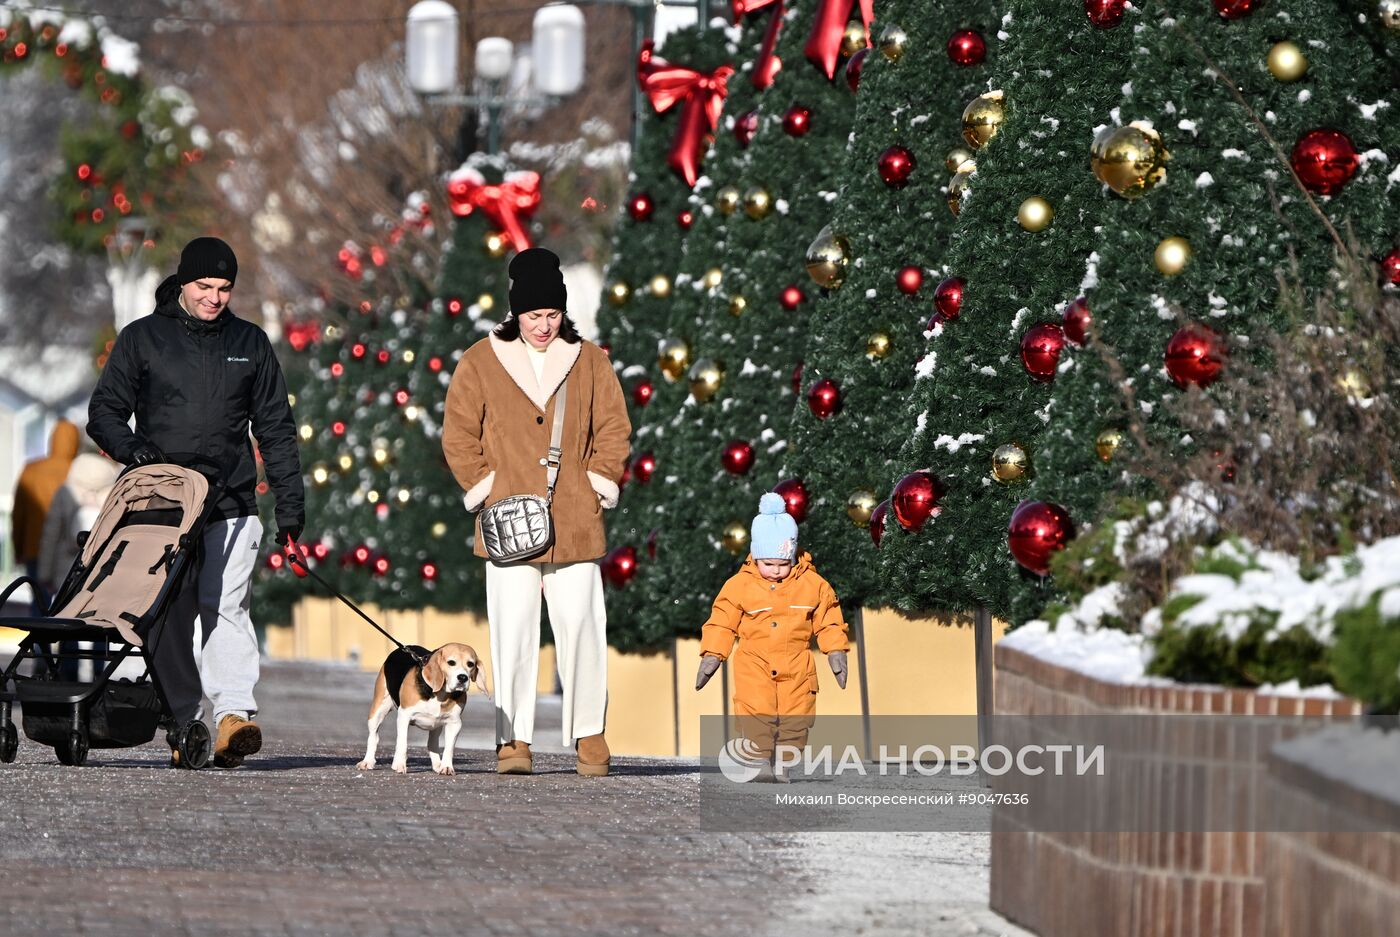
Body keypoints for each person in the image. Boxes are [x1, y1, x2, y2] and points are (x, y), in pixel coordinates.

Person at [87, 236, 305, 768]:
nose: (215, 298)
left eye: (225, 288)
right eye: (205, 286)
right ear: (183, 282)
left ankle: (234, 717)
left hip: (230, 500)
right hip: (162, 505)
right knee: (168, 617)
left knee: (225, 607)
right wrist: (135, 450)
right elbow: (104, 413)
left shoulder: (250, 342)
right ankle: (186, 722)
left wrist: (291, 506)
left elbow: (276, 428)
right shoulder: (142, 339)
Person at [442, 247, 631, 777]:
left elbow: (614, 427)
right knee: (513, 628)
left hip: (573, 514)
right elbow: (459, 433)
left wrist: (598, 481)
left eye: (551, 315)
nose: (543, 326)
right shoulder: (481, 359)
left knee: (583, 624)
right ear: (514, 313)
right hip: (506, 518)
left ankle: (590, 734)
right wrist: (485, 487)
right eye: (533, 316)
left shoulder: (590, 360)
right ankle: (514, 740)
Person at [695, 493, 850, 782]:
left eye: (783, 563)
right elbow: (722, 621)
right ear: (755, 556)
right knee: (756, 710)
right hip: (754, 661)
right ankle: (759, 761)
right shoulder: (739, 585)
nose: (776, 570)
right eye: (768, 563)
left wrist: (836, 651)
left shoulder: (813, 585)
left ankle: (784, 763)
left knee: (797, 714)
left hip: (797, 663)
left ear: (793, 556)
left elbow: (829, 618)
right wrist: (713, 655)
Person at [37, 450, 120, 681]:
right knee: (98, 622)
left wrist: (45, 572)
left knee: (68, 621)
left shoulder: (67, 490)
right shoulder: (113, 490)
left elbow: (51, 532)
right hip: (101, 568)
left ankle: (68, 674)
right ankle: (98, 675)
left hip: (69, 567)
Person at [10, 419, 79, 614]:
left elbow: (19, 513)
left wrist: (18, 549)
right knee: (70, 604)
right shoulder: (78, 470)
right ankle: (68, 643)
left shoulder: (31, 470)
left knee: (39, 603)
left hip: (35, 546)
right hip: (70, 550)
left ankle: (39, 644)